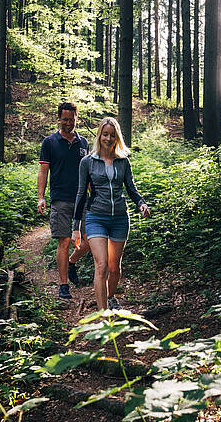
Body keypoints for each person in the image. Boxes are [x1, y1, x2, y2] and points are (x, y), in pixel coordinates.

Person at [72, 117, 150, 310]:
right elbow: (81, 193)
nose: (108, 138)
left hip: (120, 219)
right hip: (96, 217)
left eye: (112, 135)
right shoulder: (87, 162)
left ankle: (110, 297)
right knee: (102, 265)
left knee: (115, 268)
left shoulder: (123, 161)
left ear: (117, 138)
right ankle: (102, 314)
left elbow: (131, 188)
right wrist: (75, 227)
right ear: (99, 135)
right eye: (105, 134)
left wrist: (141, 203)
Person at [38, 102, 92, 299]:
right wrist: (41, 197)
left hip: (83, 201)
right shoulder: (49, 142)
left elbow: (88, 174)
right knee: (65, 240)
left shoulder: (84, 143)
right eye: (65, 119)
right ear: (59, 118)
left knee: (90, 240)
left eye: (72, 119)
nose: (68, 123)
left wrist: (93, 194)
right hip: (60, 199)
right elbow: (43, 172)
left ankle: (71, 262)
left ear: (77, 118)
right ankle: (63, 286)